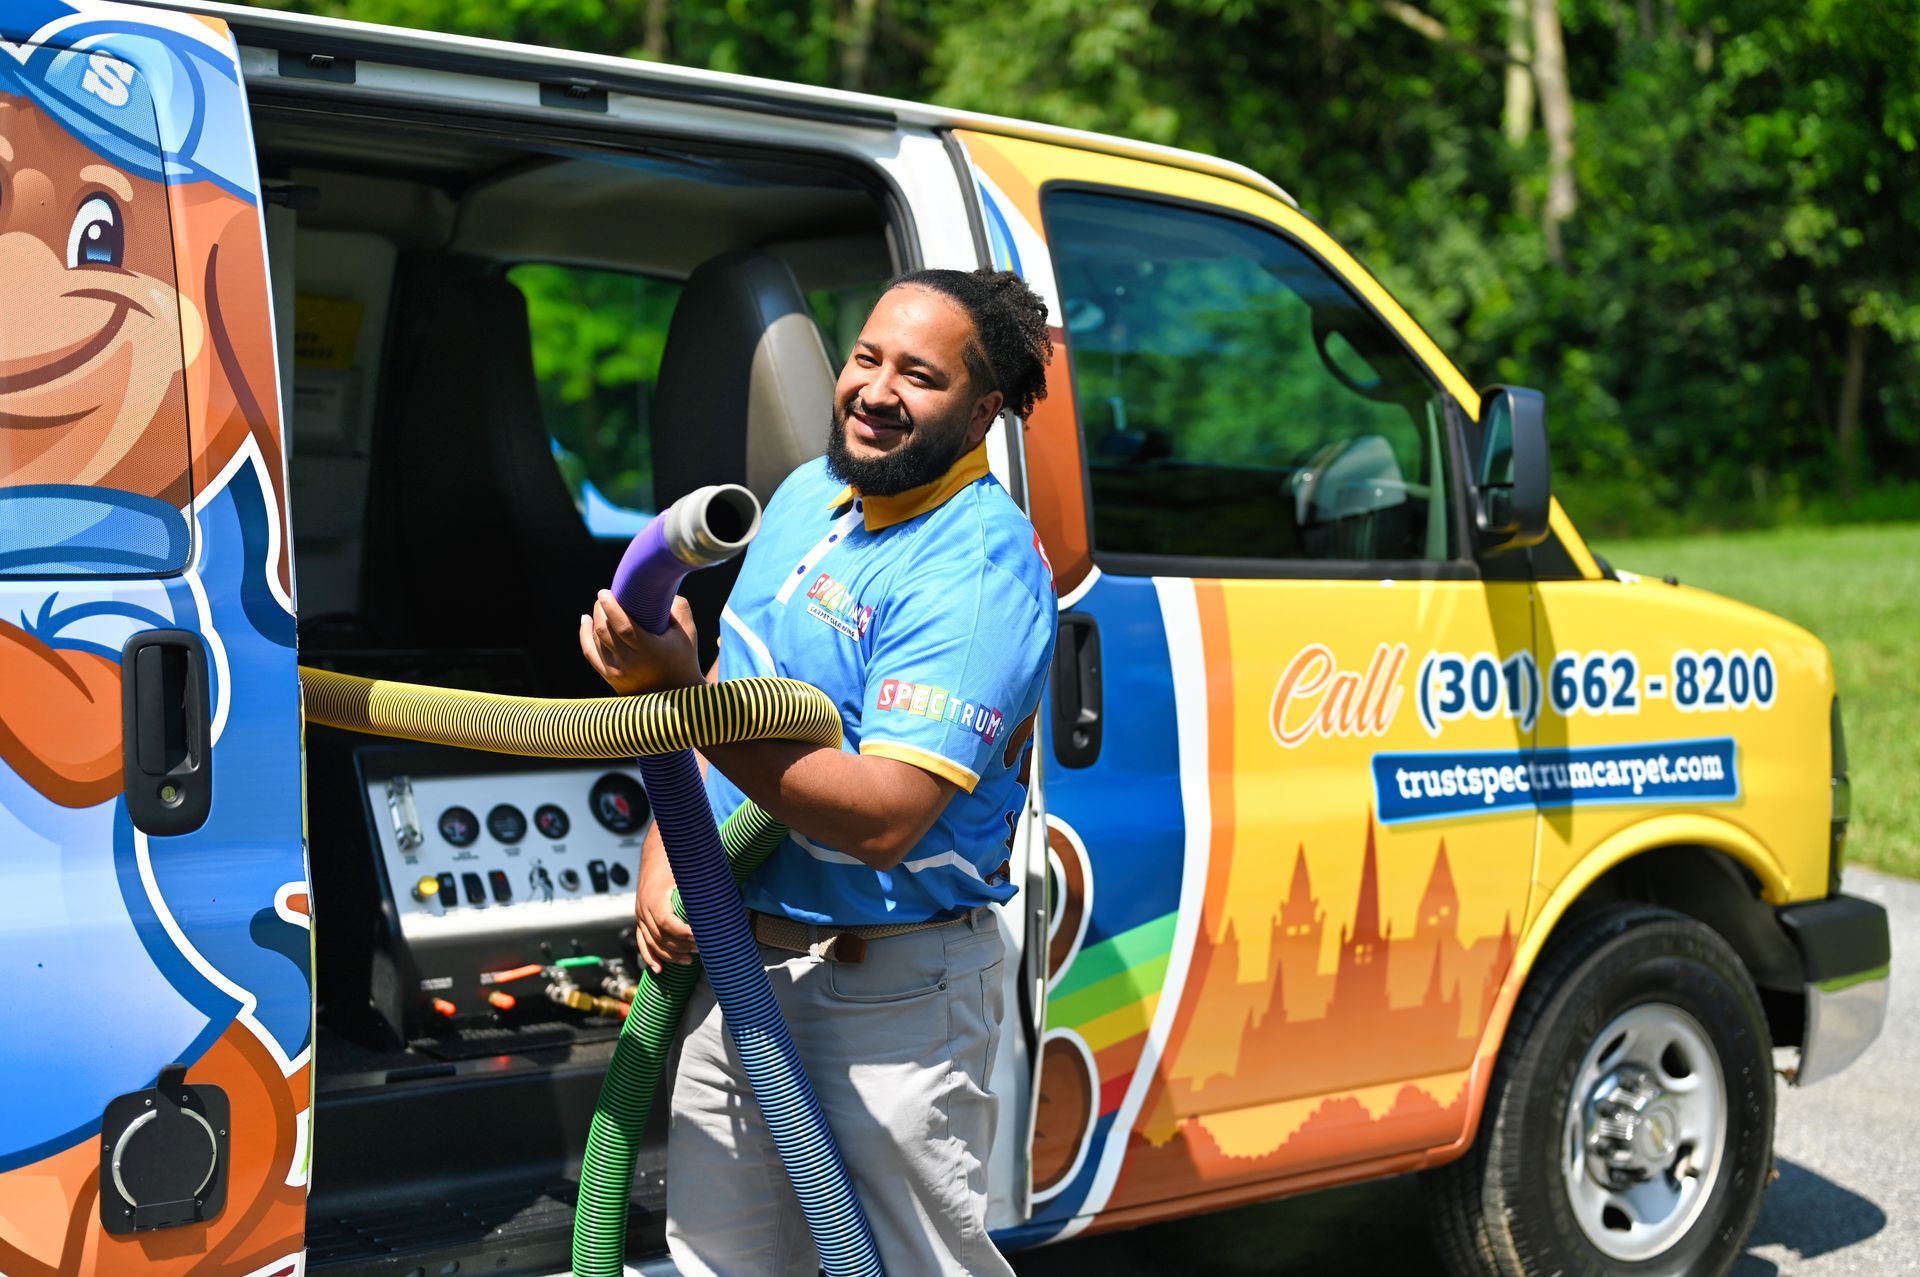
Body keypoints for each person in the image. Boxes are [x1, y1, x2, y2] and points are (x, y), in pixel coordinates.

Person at [579, 267, 1058, 1276]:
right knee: (718, 1263)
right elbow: (729, 686)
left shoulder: (978, 570)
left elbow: (886, 814)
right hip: (740, 965)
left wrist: (676, 700)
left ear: (980, 413)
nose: (877, 390)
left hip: (883, 996)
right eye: (867, 357)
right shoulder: (806, 496)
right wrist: (669, 857)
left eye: (918, 376)